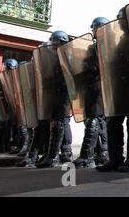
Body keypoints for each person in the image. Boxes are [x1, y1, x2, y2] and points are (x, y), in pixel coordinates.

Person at [96, 10, 129, 173]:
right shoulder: (122, 38)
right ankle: (115, 158)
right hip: (119, 87)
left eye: (121, 18)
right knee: (113, 121)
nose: (119, 21)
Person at [72, 17, 109, 169]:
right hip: (90, 88)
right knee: (97, 121)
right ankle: (101, 155)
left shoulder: (108, 45)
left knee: (94, 121)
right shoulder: (92, 47)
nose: (92, 30)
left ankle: (86, 156)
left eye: (94, 27)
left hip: (100, 89)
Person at [36, 31, 73, 168]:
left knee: (60, 123)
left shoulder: (66, 56)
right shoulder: (56, 57)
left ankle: (56, 156)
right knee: (60, 122)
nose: (52, 45)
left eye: (55, 42)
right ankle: (61, 154)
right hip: (56, 94)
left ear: (60, 42)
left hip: (63, 95)